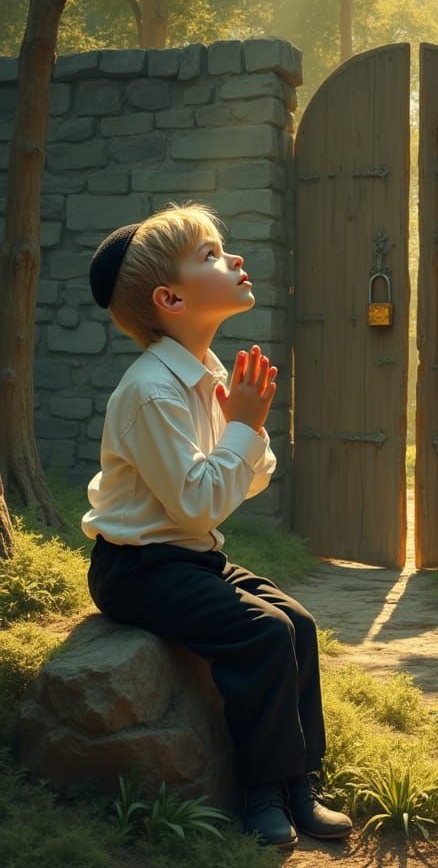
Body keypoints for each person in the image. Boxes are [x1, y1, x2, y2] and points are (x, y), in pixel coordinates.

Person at [81, 200, 353, 851]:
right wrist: (245, 428)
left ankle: (298, 784)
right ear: (171, 299)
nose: (232, 258)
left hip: (188, 555)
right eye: (209, 254)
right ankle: (259, 790)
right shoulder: (151, 390)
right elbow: (199, 502)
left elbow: (244, 480)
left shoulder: (205, 375)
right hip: (136, 568)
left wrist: (244, 427)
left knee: (299, 624)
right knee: (260, 633)